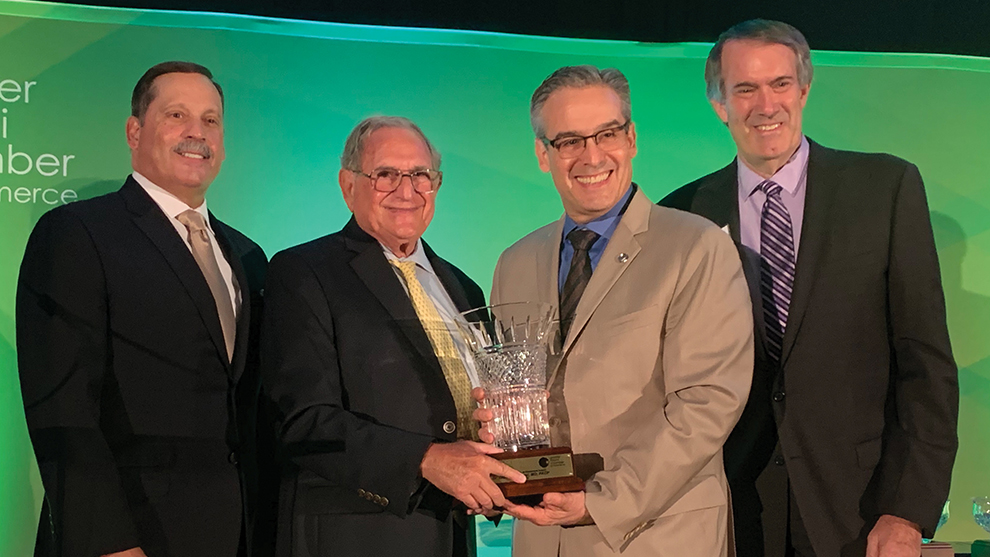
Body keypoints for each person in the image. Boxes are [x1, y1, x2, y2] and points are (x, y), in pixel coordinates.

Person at [660, 19, 958, 557]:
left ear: (804, 89)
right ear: (718, 103)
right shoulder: (680, 214)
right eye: (744, 88)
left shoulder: (885, 189)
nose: (764, 104)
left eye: (779, 84)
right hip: (724, 512)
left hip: (859, 513)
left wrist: (907, 511)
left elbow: (926, 367)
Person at [483, 65, 754, 556]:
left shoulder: (696, 247)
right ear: (543, 155)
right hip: (543, 538)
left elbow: (708, 402)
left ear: (631, 139)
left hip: (656, 536)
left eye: (606, 134)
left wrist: (601, 500)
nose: (591, 156)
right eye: (568, 141)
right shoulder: (514, 262)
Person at [17, 61, 268, 557]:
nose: (197, 132)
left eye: (211, 120)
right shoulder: (77, 233)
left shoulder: (249, 256)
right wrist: (108, 543)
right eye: (176, 115)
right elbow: (64, 408)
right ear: (135, 132)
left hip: (237, 533)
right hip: (129, 537)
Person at [260, 116, 525, 557]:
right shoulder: (304, 272)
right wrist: (426, 459)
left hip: (451, 535)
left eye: (421, 175)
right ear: (349, 185)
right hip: (356, 538)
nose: (407, 190)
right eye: (385, 175)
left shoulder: (463, 287)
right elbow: (302, 420)